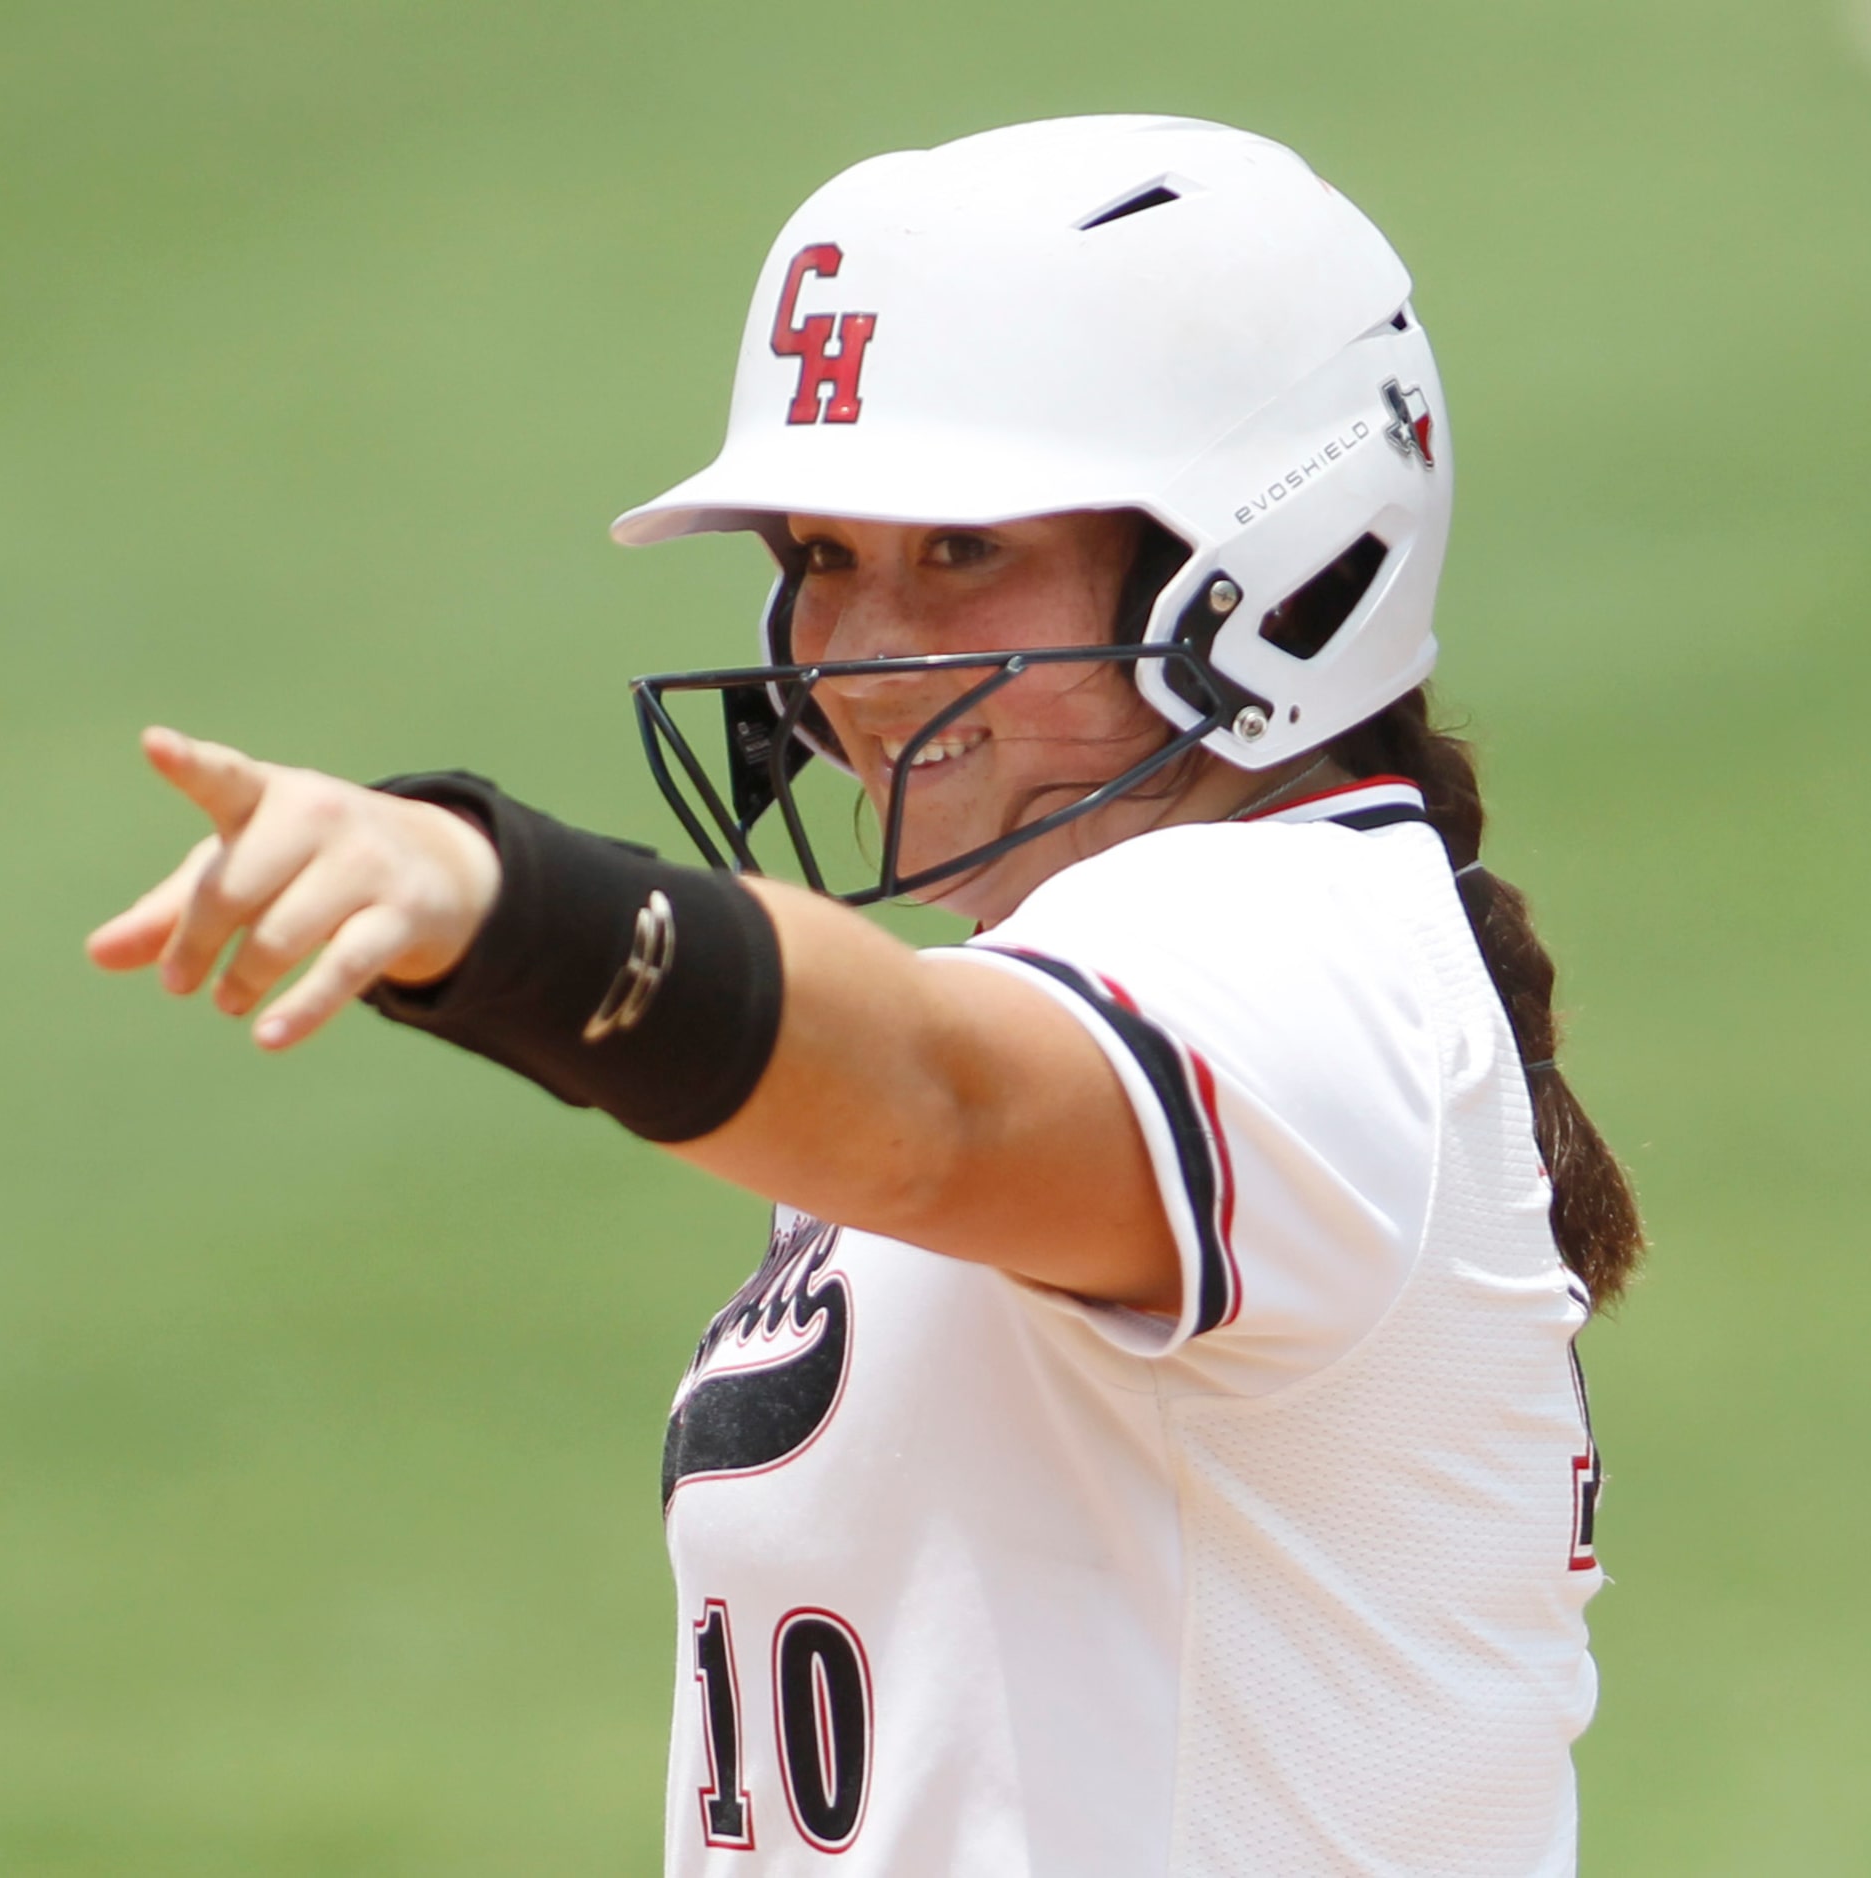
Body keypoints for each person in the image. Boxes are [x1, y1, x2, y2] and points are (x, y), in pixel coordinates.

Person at [88, 116, 1644, 1875]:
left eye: (962, 549)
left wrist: (507, 907)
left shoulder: (1294, 955)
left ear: (1273, 563)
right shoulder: (1212, 957)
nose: (861, 659)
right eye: (823, 556)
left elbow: (934, 1109)